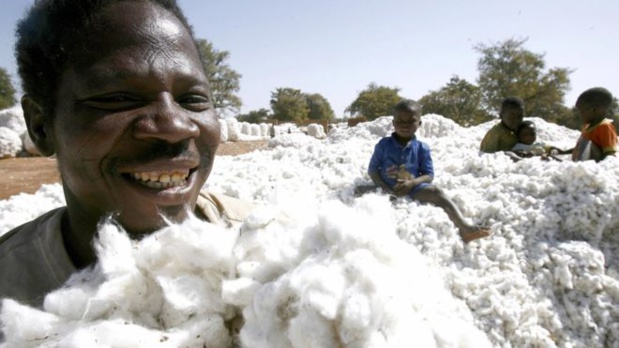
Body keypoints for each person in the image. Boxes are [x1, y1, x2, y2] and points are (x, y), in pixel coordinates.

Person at [0, 0, 254, 309]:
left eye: (192, 99)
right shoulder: (9, 286)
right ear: (41, 126)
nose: (176, 126)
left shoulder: (269, 249)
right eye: (119, 98)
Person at [367, 99, 490, 243]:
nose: (405, 125)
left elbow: (429, 175)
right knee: (359, 192)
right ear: (393, 123)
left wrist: (412, 183)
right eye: (400, 121)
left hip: (412, 189)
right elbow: (373, 170)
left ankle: (464, 228)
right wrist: (383, 188)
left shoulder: (422, 148)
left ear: (419, 124)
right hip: (386, 188)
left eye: (411, 121)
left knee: (436, 192)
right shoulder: (383, 145)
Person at [571, 87, 618, 162]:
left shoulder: (605, 127)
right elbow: (582, 150)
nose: (579, 115)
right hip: (582, 167)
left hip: (594, 169)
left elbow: (610, 155)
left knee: (585, 143)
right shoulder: (587, 127)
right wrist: (561, 152)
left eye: (581, 111)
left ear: (594, 110)